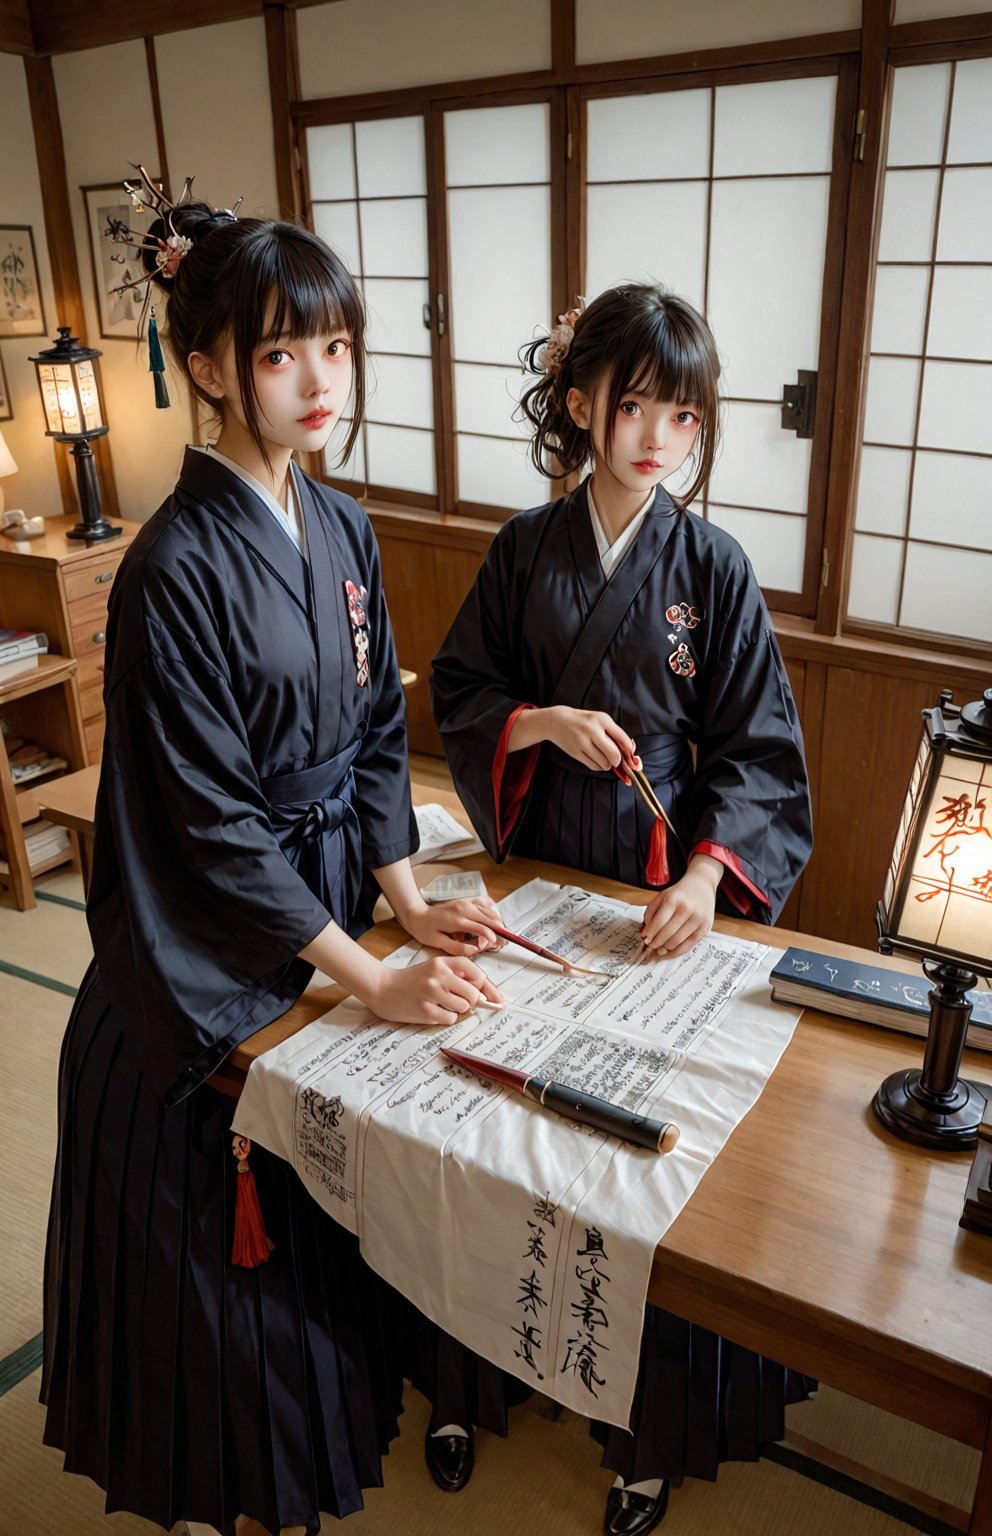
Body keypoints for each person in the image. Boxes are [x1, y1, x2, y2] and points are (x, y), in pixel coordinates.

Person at [40, 180, 505, 1536]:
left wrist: (407, 905)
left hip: (328, 908)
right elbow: (207, 819)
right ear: (207, 367)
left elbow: (375, 735)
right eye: (279, 350)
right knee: (211, 1281)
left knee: (324, 1249)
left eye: (336, 345)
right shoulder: (172, 565)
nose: (320, 379)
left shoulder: (345, 527)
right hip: (209, 942)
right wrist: (364, 977)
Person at [429, 284, 815, 1535]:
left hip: (654, 910)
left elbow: (760, 754)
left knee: (641, 1176)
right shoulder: (521, 550)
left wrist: (707, 880)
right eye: (634, 405)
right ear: (585, 404)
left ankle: (642, 1437)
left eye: (683, 416)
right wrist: (537, 722)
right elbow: (462, 689)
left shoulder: (710, 567)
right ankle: (462, 1375)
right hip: (540, 893)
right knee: (489, 1137)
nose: (656, 437)